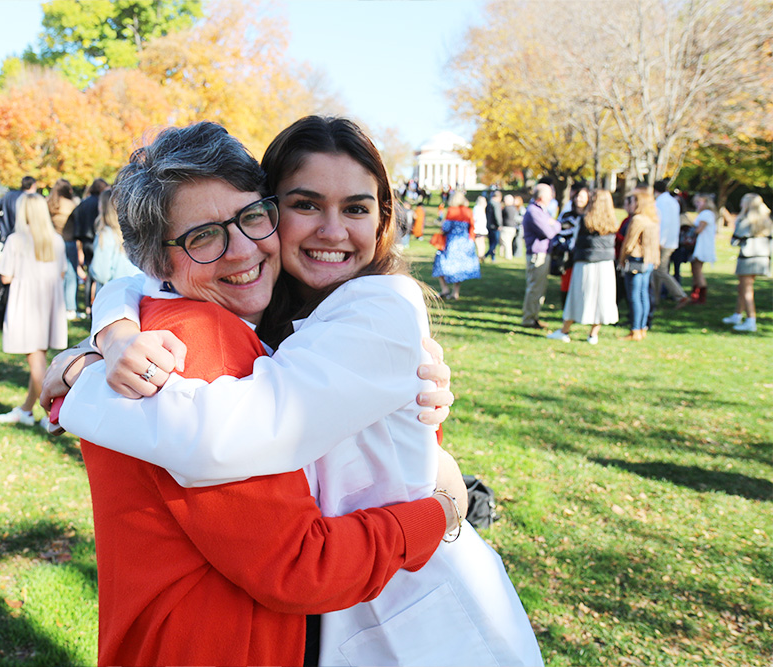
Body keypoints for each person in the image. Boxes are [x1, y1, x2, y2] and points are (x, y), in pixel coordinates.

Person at [56, 118, 541, 666]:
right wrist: (443, 507)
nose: (240, 250)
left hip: (417, 617)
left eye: (356, 208)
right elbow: (295, 558)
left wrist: (83, 378)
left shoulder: (354, 311)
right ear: (161, 260)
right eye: (204, 236)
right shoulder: (209, 336)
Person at [0, 193, 68, 429]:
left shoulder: (16, 240)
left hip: (26, 303)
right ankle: (27, 410)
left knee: (36, 361)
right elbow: (62, 273)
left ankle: (52, 415)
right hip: (49, 303)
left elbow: (5, 276)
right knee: (38, 358)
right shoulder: (55, 240)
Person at [546, 190, 621, 344]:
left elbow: (573, 243)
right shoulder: (612, 222)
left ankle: (565, 330)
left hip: (585, 263)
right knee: (602, 297)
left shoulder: (584, 220)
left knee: (577, 296)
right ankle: (593, 334)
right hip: (605, 264)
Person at [723, 193, 772, 332]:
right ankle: (737, 314)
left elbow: (734, 241)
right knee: (743, 288)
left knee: (747, 290)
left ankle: (751, 320)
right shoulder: (767, 220)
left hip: (747, 258)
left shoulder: (745, 221)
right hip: (762, 258)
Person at [618, 189, 660, 341]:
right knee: (644, 295)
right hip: (648, 261)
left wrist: (622, 259)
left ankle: (635, 329)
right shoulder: (652, 220)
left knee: (635, 296)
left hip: (636, 260)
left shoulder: (637, 220)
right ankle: (642, 328)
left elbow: (629, 243)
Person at [66, 177, 110, 316]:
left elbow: (75, 215)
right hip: (97, 239)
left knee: (91, 274)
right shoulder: (102, 202)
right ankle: (94, 304)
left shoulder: (84, 203)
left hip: (86, 240)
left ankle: (87, 305)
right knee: (98, 273)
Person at [86, 188, 139, 299]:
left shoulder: (105, 235)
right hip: (134, 291)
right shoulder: (132, 232)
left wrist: (91, 268)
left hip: (112, 295)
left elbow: (101, 273)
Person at [521, 183, 561, 329]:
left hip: (543, 253)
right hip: (537, 254)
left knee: (540, 289)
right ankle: (529, 319)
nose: (552, 197)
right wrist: (556, 225)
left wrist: (553, 224)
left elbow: (552, 226)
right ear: (542, 196)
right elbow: (549, 232)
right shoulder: (534, 211)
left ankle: (534, 316)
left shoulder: (541, 210)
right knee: (534, 288)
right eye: (550, 194)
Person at [431, 191, 480, 300]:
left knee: (441, 263)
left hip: (452, 242)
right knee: (459, 267)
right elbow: (472, 227)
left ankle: (444, 288)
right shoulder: (468, 211)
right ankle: (455, 292)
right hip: (465, 242)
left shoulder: (452, 211)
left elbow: (446, 228)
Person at [652, 180, 692, 308]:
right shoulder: (672, 201)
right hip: (671, 241)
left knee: (661, 271)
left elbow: (664, 223)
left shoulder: (662, 202)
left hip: (663, 242)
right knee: (656, 271)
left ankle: (680, 295)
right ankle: (655, 298)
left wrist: (660, 241)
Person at [47, 179, 81, 320]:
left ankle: (55, 305)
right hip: (69, 242)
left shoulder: (49, 204)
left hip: (53, 242)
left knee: (55, 274)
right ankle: (70, 307)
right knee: (71, 275)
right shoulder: (71, 205)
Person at [0, 175, 37, 244]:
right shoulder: (30, 199)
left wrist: (1, 224)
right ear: (33, 186)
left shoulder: (8, 195)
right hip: (24, 236)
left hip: (8, 234)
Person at [689, 193, 717, 304]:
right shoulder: (705, 214)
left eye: (699, 202)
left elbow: (699, 229)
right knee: (695, 270)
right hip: (701, 245)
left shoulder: (706, 214)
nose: (697, 204)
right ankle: (696, 293)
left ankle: (700, 295)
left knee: (697, 270)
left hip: (702, 246)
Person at [499, 194, 520, 259]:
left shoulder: (506, 209)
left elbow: (501, 217)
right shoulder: (514, 209)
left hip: (507, 227)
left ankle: (508, 256)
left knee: (506, 242)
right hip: (513, 227)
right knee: (508, 242)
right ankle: (506, 254)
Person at [484, 190, 503, 261]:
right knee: (495, 242)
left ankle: (492, 256)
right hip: (495, 226)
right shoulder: (496, 204)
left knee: (491, 242)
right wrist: (499, 224)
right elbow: (497, 215)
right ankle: (486, 255)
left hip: (489, 225)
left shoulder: (489, 203)